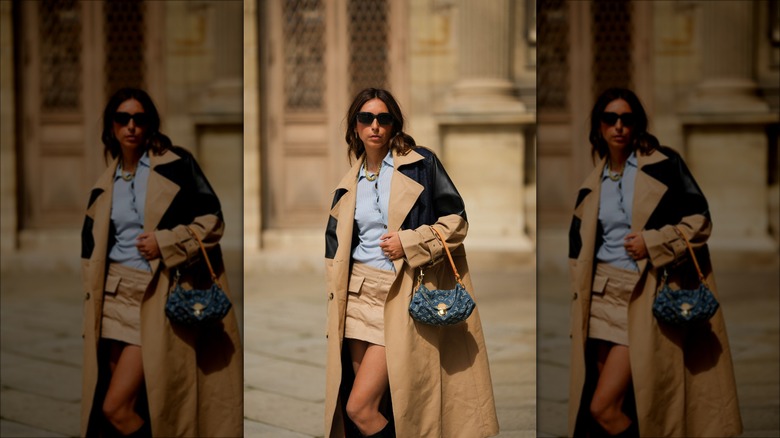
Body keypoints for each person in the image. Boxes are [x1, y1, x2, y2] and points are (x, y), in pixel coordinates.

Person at [323, 88, 499, 438]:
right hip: (357, 295)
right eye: (366, 118)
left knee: (360, 407)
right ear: (355, 127)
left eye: (383, 118)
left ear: (393, 125)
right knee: (371, 406)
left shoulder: (421, 164)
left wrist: (409, 242)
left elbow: (457, 222)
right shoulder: (348, 183)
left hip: (400, 293)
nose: (375, 125)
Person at [567, 88, 742, 437]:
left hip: (643, 292)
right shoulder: (594, 181)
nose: (619, 126)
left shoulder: (664, 166)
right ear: (599, 127)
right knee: (613, 405)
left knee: (603, 407)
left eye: (627, 119)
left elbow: (700, 221)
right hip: (601, 295)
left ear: (638, 125)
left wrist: (653, 242)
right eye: (610, 119)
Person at [80, 88, 243, 437]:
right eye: (123, 119)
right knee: (127, 407)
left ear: (150, 124)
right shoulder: (104, 183)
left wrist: (165, 242)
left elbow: (212, 221)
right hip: (112, 297)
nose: (131, 126)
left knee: (117, 407)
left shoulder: (176, 166)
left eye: (139, 119)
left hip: (153, 294)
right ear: (111, 127)